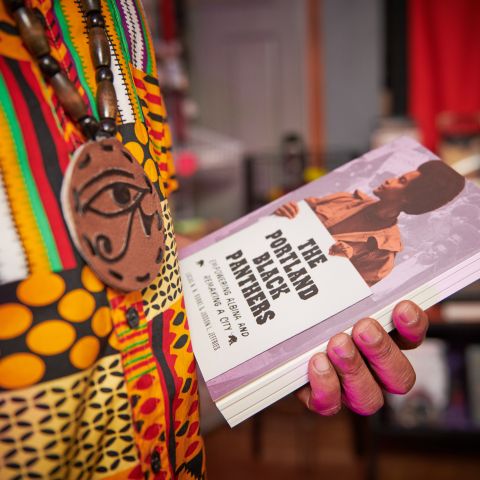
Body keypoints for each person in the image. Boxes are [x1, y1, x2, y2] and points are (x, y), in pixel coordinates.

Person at [0, 1, 429, 479]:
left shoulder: (121, 15)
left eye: (404, 184)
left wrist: (265, 348)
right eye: (397, 178)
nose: (391, 182)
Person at [275, 161, 465, 286]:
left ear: (408, 198)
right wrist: (286, 210)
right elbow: (298, 210)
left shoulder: (382, 256)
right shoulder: (345, 198)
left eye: (401, 180)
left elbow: (343, 297)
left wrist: (341, 265)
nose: (389, 180)